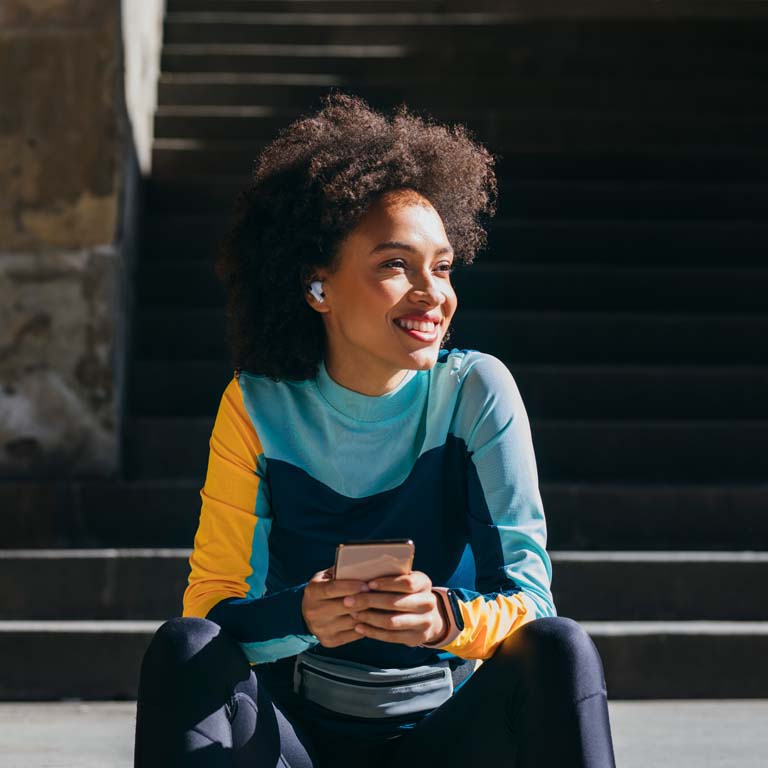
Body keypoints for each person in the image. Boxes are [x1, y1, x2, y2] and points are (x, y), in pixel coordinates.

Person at [133, 91, 616, 767]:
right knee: (183, 650)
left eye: (442, 267)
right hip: (294, 736)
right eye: (395, 264)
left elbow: (530, 601)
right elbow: (212, 610)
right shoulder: (256, 406)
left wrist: (446, 618)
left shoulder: (476, 390)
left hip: (445, 735)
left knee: (561, 648)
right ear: (318, 286)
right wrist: (300, 617)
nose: (433, 293)